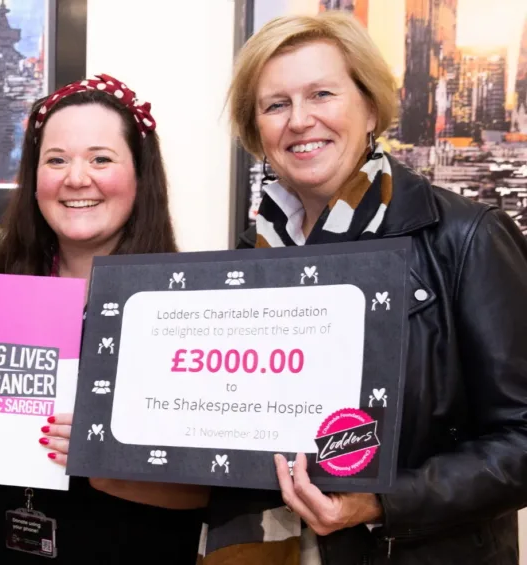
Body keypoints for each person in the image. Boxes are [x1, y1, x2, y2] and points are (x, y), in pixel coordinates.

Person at [204, 11, 527, 564]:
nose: (300, 120)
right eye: (276, 104)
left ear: (370, 106)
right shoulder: (248, 261)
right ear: (255, 127)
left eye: (322, 94)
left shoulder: (466, 238)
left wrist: (380, 501)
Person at [0, 74, 209, 564]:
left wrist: (104, 451)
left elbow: (209, 491)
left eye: (101, 158)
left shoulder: (187, 306)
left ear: (140, 176)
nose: (76, 178)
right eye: (56, 160)